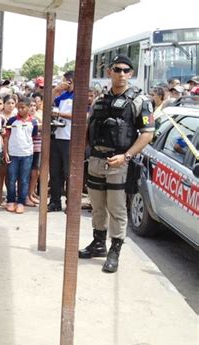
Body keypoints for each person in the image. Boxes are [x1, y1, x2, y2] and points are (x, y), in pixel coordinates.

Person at [80, 54, 154, 273]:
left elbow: (147, 135)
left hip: (119, 163)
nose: (121, 74)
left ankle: (115, 250)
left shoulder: (141, 102)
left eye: (126, 70)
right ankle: (98, 243)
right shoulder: (99, 100)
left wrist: (126, 156)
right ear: (109, 72)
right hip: (96, 160)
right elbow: (88, 127)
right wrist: (86, 153)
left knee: (117, 209)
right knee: (97, 207)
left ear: (131, 74)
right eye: (117, 69)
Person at [3, 96, 38, 214]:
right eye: (19, 108)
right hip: (13, 154)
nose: (20, 110)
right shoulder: (12, 121)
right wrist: (6, 152)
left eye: (23, 107)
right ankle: (11, 200)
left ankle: (21, 202)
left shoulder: (33, 122)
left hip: (27, 154)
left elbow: (32, 137)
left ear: (29, 108)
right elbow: (6, 138)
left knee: (24, 179)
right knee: (11, 178)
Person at [48, 71, 75, 212]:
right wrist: (55, 91)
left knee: (68, 173)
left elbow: (80, 115)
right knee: (55, 172)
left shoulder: (79, 96)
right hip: (57, 136)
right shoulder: (62, 96)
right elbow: (49, 105)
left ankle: (70, 203)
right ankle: (54, 201)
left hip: (70, 139)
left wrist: (60, 114)